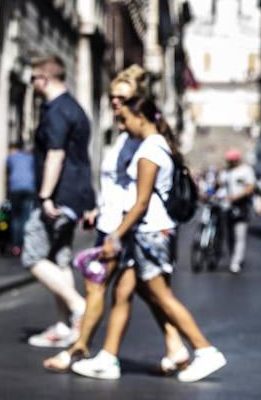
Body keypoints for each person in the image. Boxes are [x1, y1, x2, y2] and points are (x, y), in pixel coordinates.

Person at [71, 96, 227, 382]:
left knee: (161, 296)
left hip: (150, 232)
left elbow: (140, 202)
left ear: (140, 117)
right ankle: (108, 357)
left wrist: (115, 236)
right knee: (124, 290)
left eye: (125, 119)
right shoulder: (159, 146)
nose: (122, 125)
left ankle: (205, 350)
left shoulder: (149, 151)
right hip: (153, 232)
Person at [43, 65, 186, 374]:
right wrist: (98, 208)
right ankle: (169, 347)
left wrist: (117, 231)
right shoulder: (124, 136)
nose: (115, 103)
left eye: (122, 98)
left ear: (137, 101)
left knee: (106, 288)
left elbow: (137, 191)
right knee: (134, 291)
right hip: (112, 221)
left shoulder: (140, 139)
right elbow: (117, 184)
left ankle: (80, 350)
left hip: (123, 226)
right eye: (112, 98)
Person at [24, 56, 94, 348]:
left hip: (59, 195)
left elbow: (56, 154)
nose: (32, 85)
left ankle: (78, 307)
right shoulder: (76, 109)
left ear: (44, 78)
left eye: (33, 79)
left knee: (32, 256)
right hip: (77, 194)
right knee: (59, 258)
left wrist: (45, 195)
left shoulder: (56, 112)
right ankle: (65, 326)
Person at [220, 149, 256, 274]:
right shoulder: (225, 172)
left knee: (239, 235)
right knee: (229, 235)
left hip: (241, 207)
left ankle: (236, 261)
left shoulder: (246, 170)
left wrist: (236, 197)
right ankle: (233, 257)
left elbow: (250, 188)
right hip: (226, 207)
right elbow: (219, 185)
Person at [6, 141, 37, 255]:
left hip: (15, 189)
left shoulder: (12, 157)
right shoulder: (30, 157)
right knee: (26, 218)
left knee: (16, 219)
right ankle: (25, 245)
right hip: (29, 188)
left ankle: (16, 246)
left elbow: (7, 166)